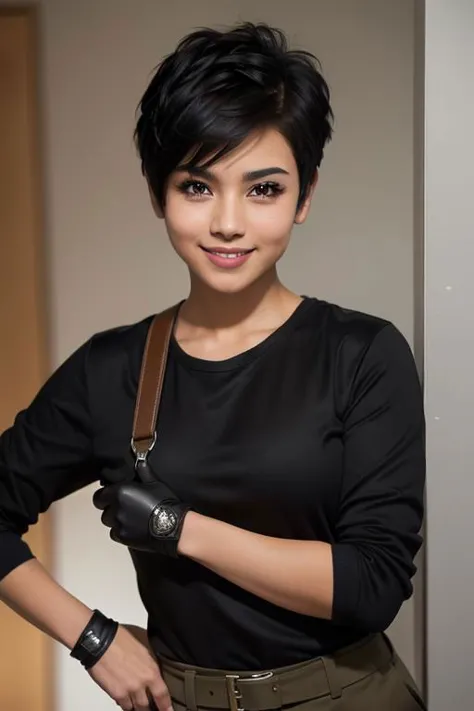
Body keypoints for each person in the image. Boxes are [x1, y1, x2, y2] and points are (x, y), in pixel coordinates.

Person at [0, 21, 426, 711]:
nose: (228, 222)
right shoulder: (112, 370)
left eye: (263, 189)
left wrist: (179, 527)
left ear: (305, 195)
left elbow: (372, 581)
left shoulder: (363, 355)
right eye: (198, 186)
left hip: (347, 693)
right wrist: (92, 638)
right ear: (157, 193)